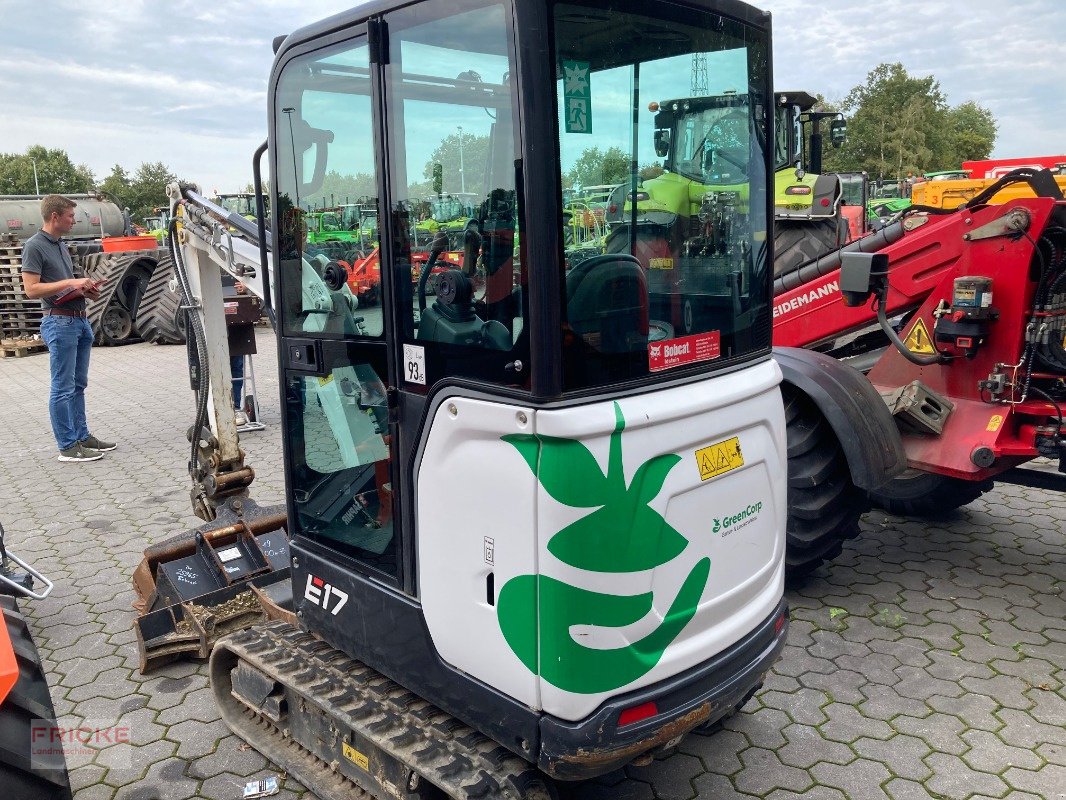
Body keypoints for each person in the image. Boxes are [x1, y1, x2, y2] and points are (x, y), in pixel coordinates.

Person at [20, 195, 116, 463]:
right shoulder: (34, 246)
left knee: (77, 385)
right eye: (71, 216)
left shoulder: (60, 245)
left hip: (78, 319)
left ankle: (82, 437)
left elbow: (64, 284)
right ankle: (67, 446)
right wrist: (71, 283)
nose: (75, 220)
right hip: (59, 322)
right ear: (55, 217)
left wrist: (85, 290)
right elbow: (31, 289)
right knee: (62, 387)